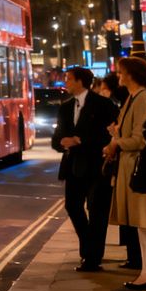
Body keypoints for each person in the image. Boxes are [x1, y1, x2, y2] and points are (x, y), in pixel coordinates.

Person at [52, 66, 116, 272]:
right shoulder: (65, 106)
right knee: (72, 206)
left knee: (97, 211)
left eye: (69, 79)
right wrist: (62, 142)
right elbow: (57, 138)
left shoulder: (104, 105)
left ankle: (92, 258)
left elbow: (110, 136)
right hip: (72, 166)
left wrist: (80, 140)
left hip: (97, 166)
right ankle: (90, 246)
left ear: (80, 81)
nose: (66, 83)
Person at [106, 56, 146, 289]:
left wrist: (117, 143)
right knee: (142, 226)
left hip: (140, 168)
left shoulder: (144, 99)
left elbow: (141, 138)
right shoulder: (132, 97)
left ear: (130, 74)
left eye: (121, 71)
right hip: (130, 167)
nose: (118, 75)